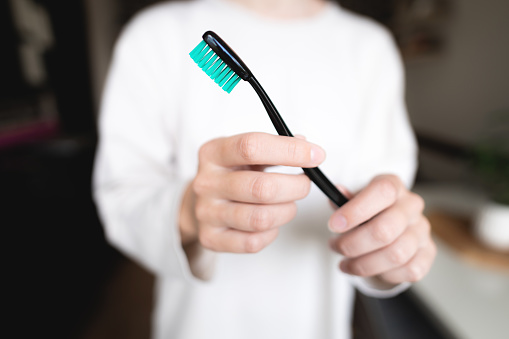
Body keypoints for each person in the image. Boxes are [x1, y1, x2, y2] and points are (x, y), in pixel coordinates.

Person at [93, 0, 437, 338]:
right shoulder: (156, 34)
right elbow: (121, 197)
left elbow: (387, 201)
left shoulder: (372, 48)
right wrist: (189, 212)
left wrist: (390, 244)